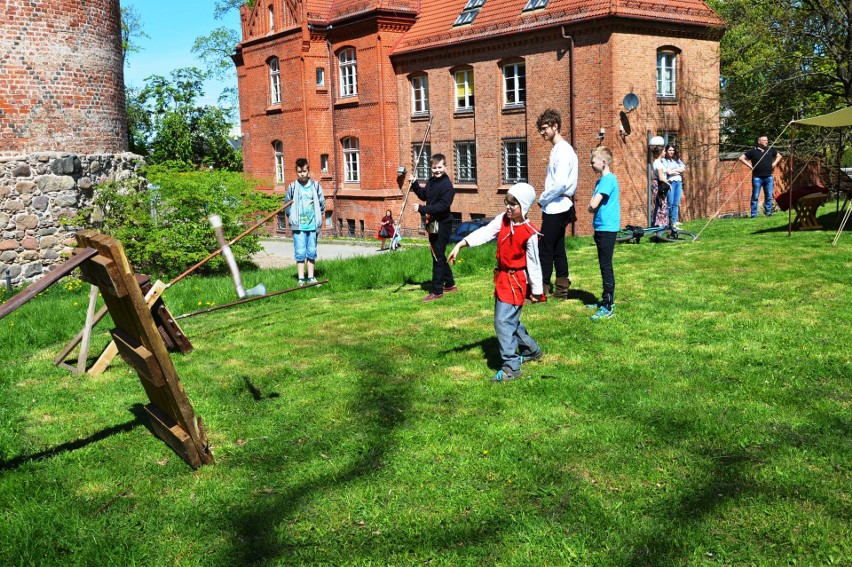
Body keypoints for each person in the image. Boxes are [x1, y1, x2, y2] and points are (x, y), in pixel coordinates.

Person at [448, 183, 544, 382]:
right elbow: (484, 232)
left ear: (524, 207)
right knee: (509, 320)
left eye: (513, 204)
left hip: (516, 282)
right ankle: (531, 349)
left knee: (503, 321)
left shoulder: (530, 233)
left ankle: (511, 367)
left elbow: (534, 264)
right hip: (502, 279)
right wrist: (461, 243)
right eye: (507, 202)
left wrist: (536, 290)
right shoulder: (503, 220)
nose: (508, 208)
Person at [536, 109, 578, 299]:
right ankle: (561, 289)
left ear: (555, 126)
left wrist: (543, 199)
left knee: (545, 248)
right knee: (557, 247)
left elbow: (560, 184)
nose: (542, 132)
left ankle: (541, 290)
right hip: (558, 205)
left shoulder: (562, 150)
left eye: (545, 128)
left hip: (557, 205)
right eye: (541, 129)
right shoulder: (558, 149)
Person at [408, 154, 457, 302]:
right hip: (433, 222)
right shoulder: (431, 181)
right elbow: (424, 195)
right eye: (434, 168)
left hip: (443, 223)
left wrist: (422, 209)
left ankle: (437, 291)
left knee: (437, 256)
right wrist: (415, 183)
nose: (437, 170)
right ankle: (449, 284)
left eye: (440, 167)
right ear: (431, 168)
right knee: (438, 254)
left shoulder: (447, 186)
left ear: (445, 167)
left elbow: (442, 206)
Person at [587, 146, 620, 321]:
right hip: (601, 227)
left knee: (606, 265)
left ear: (604, 162)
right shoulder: (600, 182)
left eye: (593, 162)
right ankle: (605, 299)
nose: (591, 165)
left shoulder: (608, 180)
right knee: (603, 264)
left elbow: (593, 205)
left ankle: (608, 305)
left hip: (607, 228)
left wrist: (590, 206)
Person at [284, 158, 325, 286]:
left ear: (308, 170)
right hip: (299, 227)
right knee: (300, 252)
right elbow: (287, 205)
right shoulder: (292, 187)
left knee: (311, 251)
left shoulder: (316, 186)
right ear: (296, 172)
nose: (302, 174)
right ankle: (301, 279)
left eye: (304, 171)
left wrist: (318, 218)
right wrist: (293, 218)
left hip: (312, 225)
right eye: (299, 172)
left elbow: (322, 204)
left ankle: (311, 277)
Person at [739, 135, 782, 217]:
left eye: (767, 140)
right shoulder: (753, 152)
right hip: (757, 177)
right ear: (759, 142)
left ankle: (768, 212)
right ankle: (754, 214)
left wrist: (775, 163)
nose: (766, 142)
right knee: (755, 196)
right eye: (764, 140)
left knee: (769, 196)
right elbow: (741, 158)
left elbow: (779, 156)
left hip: (768, 177)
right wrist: (750, 166)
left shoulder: (770, 150)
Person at [661, 144, 686, 227]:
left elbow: (683, 168)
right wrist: (677, 171)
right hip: (670, 183)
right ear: (666, 151)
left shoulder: (677, 159)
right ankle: (669, 222)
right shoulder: (664, 160)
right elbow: (668, 172)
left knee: (676, 203)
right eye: (669, 150)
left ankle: (674, 222)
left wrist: (674, 171)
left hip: (678, 182)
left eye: (673, 150)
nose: (671, 152)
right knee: (670, 204)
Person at [651, 145, 669, 227]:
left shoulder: (656, 162)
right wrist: (669, 185)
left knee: (659, 204)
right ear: (660, 152)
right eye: (664, 151)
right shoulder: (658, 163)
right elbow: (661, 178)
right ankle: (660, 223)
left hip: (657, 184)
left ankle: (659, 223)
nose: (665, 152)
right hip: (660, 185)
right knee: (662, 205)